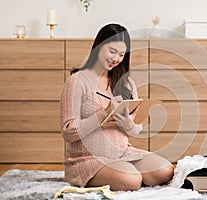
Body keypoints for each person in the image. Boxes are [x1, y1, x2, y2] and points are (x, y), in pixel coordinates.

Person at [60, 23, 174, 191]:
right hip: (87, 158)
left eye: (121, 54)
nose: (116, 59)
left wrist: (129, 125)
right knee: (132, 180)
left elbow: (135, 130)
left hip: (122, 152)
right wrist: (103, 114)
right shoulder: (77, 81)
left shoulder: (126, 83)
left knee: (164, 171)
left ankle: (123, 174)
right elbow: (68, 132)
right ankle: (124, 175)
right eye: (112, 51)